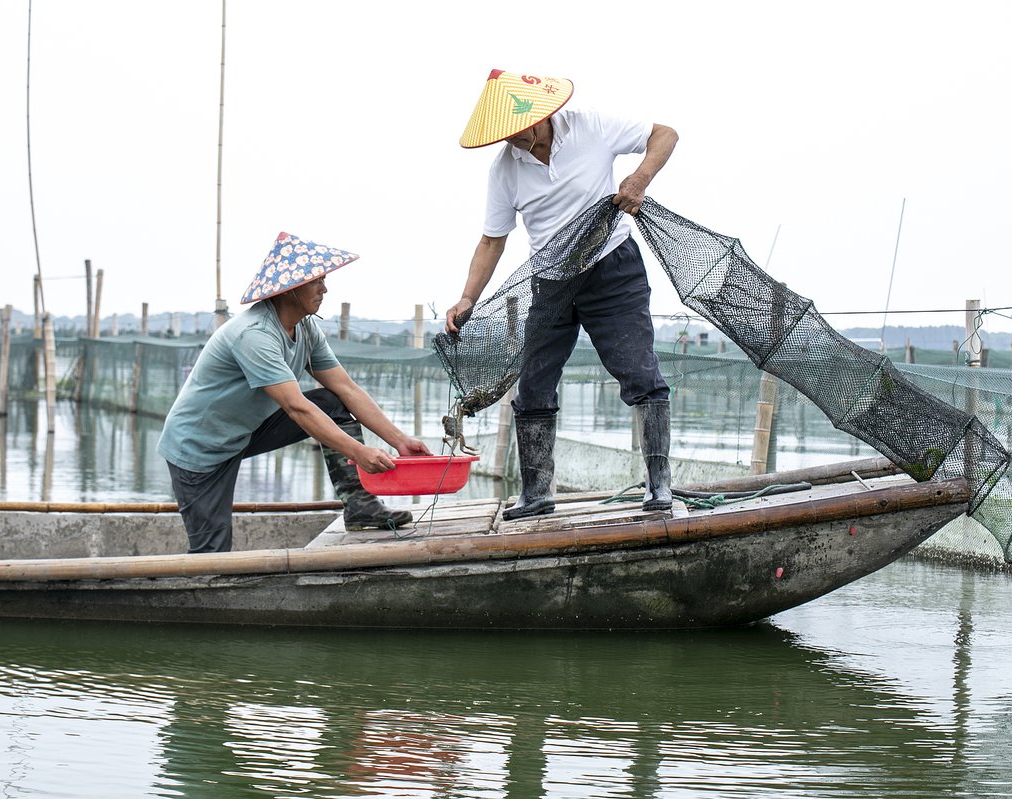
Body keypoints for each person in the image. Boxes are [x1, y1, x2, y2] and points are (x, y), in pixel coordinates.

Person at [446, 69, 679, 519]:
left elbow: (665, 134)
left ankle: (659, 487)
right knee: (532, 385)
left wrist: (639, 179)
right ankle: (536, 494)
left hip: (612, 271)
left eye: (517, 131)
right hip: (551, 284)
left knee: (638, 370)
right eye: (504, 135)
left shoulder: (589, 127)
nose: (512, 141)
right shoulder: (505, 170)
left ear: (541, 116)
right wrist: (466, 299)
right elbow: (492, 240)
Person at [158, 233, 430, 553]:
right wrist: (358, 452)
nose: (324, 289)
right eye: (316, 282)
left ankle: (360, 506)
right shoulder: (255, 334)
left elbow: (346, 388)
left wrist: (398, 440)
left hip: (244, 432)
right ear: (289, 289)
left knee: (331, 401)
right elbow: (296, 408)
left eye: (324, 280)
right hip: (198, 449)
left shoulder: (305, 328)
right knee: (211, 553)